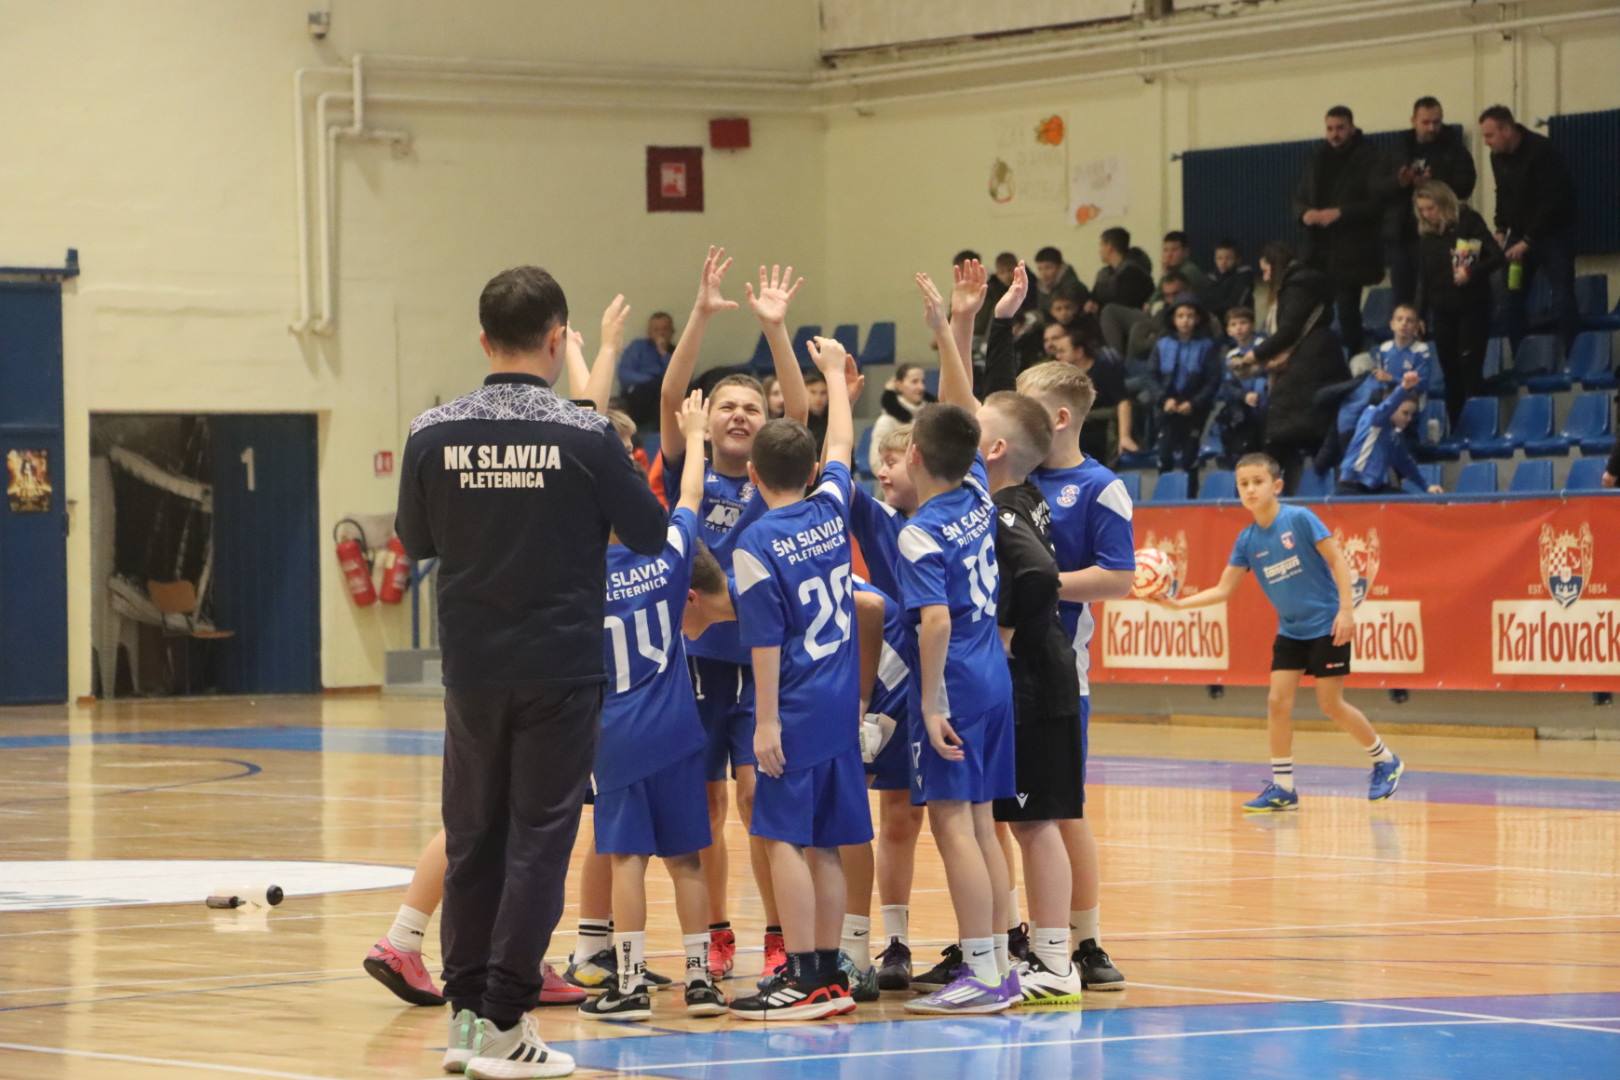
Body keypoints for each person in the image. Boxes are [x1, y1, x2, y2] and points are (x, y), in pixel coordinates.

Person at [396, 265, 668, 1078]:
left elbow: (417, 541)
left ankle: (467, 1022)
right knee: (539, 843)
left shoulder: (430, 432)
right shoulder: (586, 435)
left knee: (474, 839)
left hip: (472, 670)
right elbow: (650, 532)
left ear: (483, 340)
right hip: (560, 667)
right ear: (556, 339)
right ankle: (507, 1022)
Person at [657, 250, 811, 983]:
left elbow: (800, 414)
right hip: (693, 665)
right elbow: (670, 395)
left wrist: (775, 331)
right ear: (705, 420)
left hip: (757, 663)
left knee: (758, 798)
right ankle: (717, 930)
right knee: (706, 804)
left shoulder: (773, 475)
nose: (742, 414)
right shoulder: (686, 469)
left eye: (752, 407)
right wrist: (700, 313)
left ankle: (778, 934)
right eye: (728, 406)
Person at [932, 283, 1088, 1007]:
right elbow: (973, 405)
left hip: (1034, 680)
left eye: (977, 429)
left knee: (1034, 823)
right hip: (1030, 682)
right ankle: (1023, 953)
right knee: (1019, 822)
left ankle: (1055, 959)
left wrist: (1005, 634)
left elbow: (1039, 575)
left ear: (992, 450)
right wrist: (965, 326)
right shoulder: (1005, 496)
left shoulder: (1003, 514)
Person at [727, 336, 872, 1020]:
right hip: (842, 705)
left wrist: (764, 722)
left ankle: (805, 976)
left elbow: (763, 642)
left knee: (782, 836)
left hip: (795, 704)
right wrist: (835, 378)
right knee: (829, 845)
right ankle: (831, 973)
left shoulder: (755, 543)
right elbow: (842, 439)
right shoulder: (833, 505)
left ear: (754, 474)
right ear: (812, 471)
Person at [579, 390, 731, 1022]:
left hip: (615, 734)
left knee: (627, 861)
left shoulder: (579, 573)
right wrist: (694, 435)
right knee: (687, 859)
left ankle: (630, 983)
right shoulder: (669, 555)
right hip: (677, 729)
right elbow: (690, 495)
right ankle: (701, 982)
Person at [895, 274, 1020, 1015]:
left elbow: (933, 622)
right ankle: (1000, 965)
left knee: (954, 825)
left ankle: (981, 971)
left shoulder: (920, 531)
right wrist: (950, 329)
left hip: (959, 678)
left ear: (913, 455)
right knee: (981, 824)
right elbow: (962, 412)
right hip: (992, 669)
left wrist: (931, 701)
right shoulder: (976, 489)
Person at [1152, 454, 1406, 811]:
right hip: (1291, 630)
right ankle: (1284, 787)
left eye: (1258, 482)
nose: (1250, 489)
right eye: (1243, 484)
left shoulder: (1299, 519)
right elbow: (1224, 589)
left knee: (1330, 703)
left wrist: (1347, 611)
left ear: (1277, 485)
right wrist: (1178, 605)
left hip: (1326, 624)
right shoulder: (1247, 540)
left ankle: (1385, 760)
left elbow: (1338, 560)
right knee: (1276, 703)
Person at [1014, 359, 1135, 991]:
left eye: (1027, 405)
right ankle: (1012, 938)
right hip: (998, 668)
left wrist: (1040, 582)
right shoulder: (1015, 477)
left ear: (1060, 418)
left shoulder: (1098, 488)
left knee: (1063, 811)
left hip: (1059, 672)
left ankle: (1085, 942)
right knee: (1004, 812)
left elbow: (1118, 576)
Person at [1246, 242, 1352, 492]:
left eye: (1266, 270)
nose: (1265, 278)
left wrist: (1256, 354)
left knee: (1280, 436)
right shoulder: (1307, 285)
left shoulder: (1296, 286)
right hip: (1319, 366)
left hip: (1309, 372)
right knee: (1316, 437)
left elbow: (1289, 329)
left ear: (1276, 265)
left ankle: (1267, 493)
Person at [1479, 104, 1579, 349]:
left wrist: (1528, 241)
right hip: (1519, 234)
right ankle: (1520, 356)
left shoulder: (1542, 150)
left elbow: (1553, 201)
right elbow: (1503, 192)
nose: (1486, 142)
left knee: (1562, 297)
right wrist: (1501, 228)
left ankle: (1572, 355)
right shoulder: (1496, 156)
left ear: (1506, 130)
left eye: (1490, 135)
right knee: (1511, 298)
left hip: (1553, 234)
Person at [1294, 105, 1390, 356]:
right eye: (1330, 129)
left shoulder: (1369, 156)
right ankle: (1320, 358)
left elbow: (1377, 203)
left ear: (1352, 128)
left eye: (1340, 128)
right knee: (1313, 309)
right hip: (1317, 249)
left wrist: (1340, 213)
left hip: (1352, 249)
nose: (1334, 134)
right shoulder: (1316, 157)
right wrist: (1304, 214)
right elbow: (1300, 196)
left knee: (1348, 310)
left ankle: (1356, 357)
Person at [1413, 179, 1503, 427]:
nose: (1427, 215)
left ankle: (1479, 425)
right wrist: (1419, 314)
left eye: (1431, 208)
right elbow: (1423, 277)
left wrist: (1471, 272)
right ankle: (1457, 427)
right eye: (1422, 210)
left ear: (1443, 204)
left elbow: (1496, 256)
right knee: (1450, 372)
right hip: (1442, 310)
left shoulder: (1469, 221)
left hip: (1471, 307)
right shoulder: (1427, 236)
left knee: (1469, 369)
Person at [1385, 97, 1476, 306]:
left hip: (1440, 233)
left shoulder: (1454, 148)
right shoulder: (1397, 148)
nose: (1432, 128)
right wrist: (1400, 182)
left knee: (1438, 292)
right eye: (1426, 122)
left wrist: (1434, 183)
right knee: (1402, 296)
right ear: (1413, 121)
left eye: (1437, 122)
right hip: (1402, 233)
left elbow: (1466, 185)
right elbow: (1376, 186)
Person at [1151, 301, 1223, 498]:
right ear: (1173, 319)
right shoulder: (1162, 344)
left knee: (1189, 457)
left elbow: (1213, 380)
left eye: (1190, 316)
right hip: (1167, 408)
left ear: (1197, 319)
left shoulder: (1206, 346)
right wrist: (1163, 399)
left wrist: (1194, 403)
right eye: (1180, 316)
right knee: (1164, 455)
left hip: (1194, 409)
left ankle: (1191, 498)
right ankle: (1164, 497)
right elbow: (1151, 376)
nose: (1185, 321)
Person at [1335, 371, 1443, 495]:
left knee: (1407, 500)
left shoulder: (1394, 437)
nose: (1409, 419)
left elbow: (1406, 464)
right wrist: (1403, 388)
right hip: (1352, 486)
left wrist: (1427, 487)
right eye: (1405, 413)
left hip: (1373, 488)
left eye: (1411, 415)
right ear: (1393, 408)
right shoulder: (1373, 416)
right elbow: (1387, 406)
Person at [1043, 321, 1137, 464]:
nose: (1058, 357)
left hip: (1103, 429)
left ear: (1079, 352)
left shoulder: (1104, 369)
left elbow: (1123, 402)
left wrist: (1125, 436)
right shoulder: (1063, 376)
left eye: (1062, 351)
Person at [1089, 227, 1154, 357]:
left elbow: (1126, 302)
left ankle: (1114, 358)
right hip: (1110, 320)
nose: (1099, 250)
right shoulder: (1105, 273)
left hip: (1136, 322)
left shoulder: (1133, 272)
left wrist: (1099, 306)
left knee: (1109, 311)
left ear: (1109, 247)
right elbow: (1094, 297)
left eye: (1101, 245)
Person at [1216, 309, 1269, 468]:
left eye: (1243, 323)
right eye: (1233, 324)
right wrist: (1243, 395)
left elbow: (1269, 373)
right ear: (1228, 330)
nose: (1238, 328)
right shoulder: (1230, 355)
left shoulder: (1264, 346)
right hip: (1244, 409)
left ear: (1252, 325)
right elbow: (1228, 385)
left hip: (1266, 407)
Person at [869, 362, 935, 476]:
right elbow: (877, 464)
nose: (921, 387)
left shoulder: (933, 418)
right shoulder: (886, 422)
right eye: (914, 381)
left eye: (923, 382)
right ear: (899, 385)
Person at [616, 311, 676, 428]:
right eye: (656, 330)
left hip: (663, 394)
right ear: (649, 332)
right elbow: (624, 374)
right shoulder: (638, 347)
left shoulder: (676, 352)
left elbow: (677, 378)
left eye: (665, 329)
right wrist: (650, 379)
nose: (661, 333)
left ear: (672, 331)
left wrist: (663, 353)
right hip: (639, 391)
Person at [1204, 240, 1256, 324]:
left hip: (1238, 321)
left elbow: (1235, 303)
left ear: (1238, 260)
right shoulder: (1210, 277)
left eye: (1228, 258)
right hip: (1215, 322)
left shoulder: (1244, 276)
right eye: (1219, 258)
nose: (1223, 262)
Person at [1032, 246, 1087, 318]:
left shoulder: (1073, 287)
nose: (1043, 273)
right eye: (1040, 269)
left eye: (1048, 267)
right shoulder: (1041, 287)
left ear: (1060, 267)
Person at [1156, 231, 1210, 301]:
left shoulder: (1189, 271)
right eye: (1165, 250)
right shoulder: (1173, 270)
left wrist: (1165, 273)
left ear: (1186, 252)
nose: (1169, 255)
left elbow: (1164, 297)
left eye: (1174, 250)